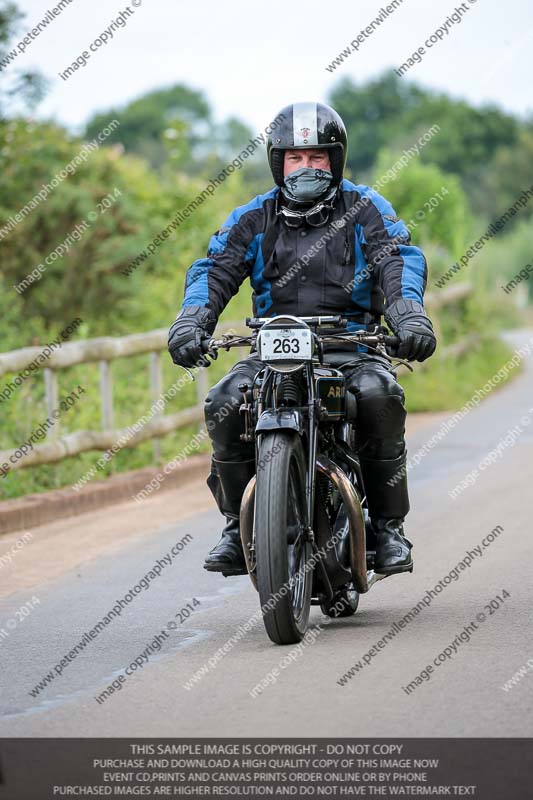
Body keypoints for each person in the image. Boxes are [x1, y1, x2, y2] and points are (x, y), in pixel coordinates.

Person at [168, 102, 436, 578]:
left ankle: (388, 527)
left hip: (351, 345)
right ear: (278, 162)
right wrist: (191, 322)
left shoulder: (366, 208)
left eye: (318, 158)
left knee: (379, 397)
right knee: (224, 403)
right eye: (296, 158)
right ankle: (236, 524)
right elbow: (214, 268)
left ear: (336, 160)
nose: (307, 168)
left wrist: (409, 316)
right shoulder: (255, 216)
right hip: (273, 348)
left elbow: (397, 260)